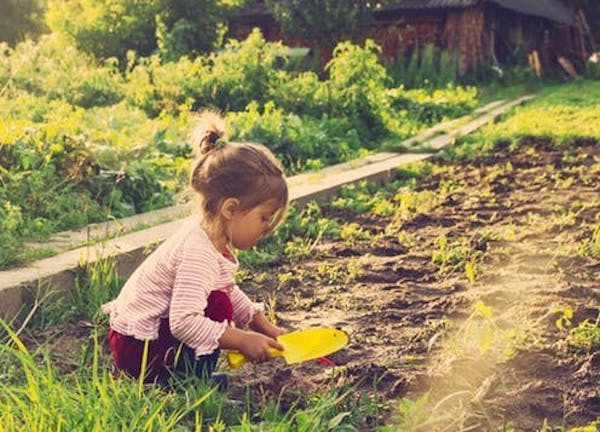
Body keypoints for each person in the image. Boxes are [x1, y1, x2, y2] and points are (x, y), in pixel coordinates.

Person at [102, 111, 289, 388]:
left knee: (219, 299)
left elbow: (225, 286)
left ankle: (183, 375)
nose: (267, 228)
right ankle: (185, 383)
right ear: (231, 209)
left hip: (142, 342)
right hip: (140, 350)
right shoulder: (197, 252)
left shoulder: (208, 239)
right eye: (264, 218)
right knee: (217, 306)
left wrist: (261, 325)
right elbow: (183, 323)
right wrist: (241, 338)